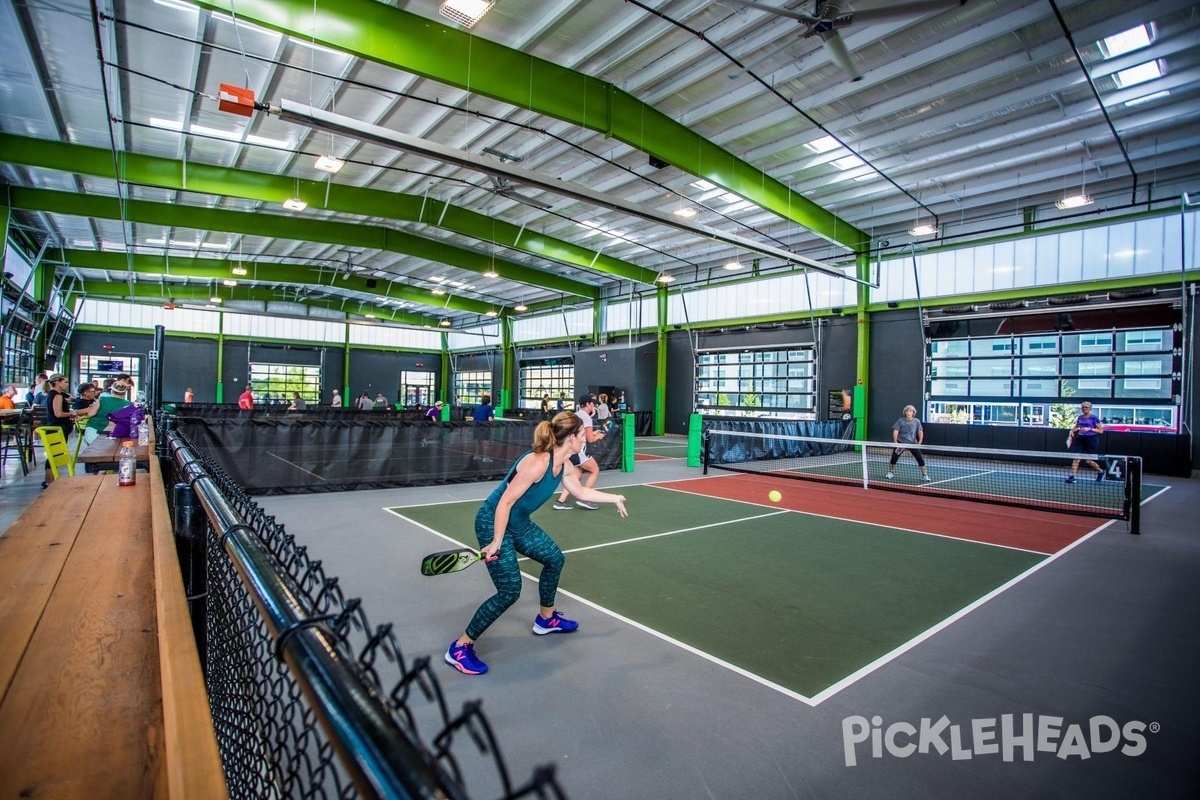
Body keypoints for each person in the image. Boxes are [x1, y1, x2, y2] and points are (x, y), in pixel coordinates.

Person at [445, 412, 629, 676]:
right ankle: (461, 647)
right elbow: (504, 502)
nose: (583, 441)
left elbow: (580, 492)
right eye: (581, 436)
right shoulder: (537, 463)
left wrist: (615, 498)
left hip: (518, 523)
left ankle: (546, 618)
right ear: (572, 438)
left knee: (555, 558)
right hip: (493, 521)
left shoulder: (564, 465)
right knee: (509, 591)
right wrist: (496, 541)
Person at [554, 394, 606, 509]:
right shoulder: (586, 418)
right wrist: (599, 436)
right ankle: (585, 499)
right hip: (579, 452)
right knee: (595, 470)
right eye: (592, 403)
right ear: (587, 404)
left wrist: (594, 432)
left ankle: (560, 502)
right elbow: (590, 439)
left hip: (571, 450)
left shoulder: (576, 415)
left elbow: (583, 435)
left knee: (576, 475)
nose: (593, 406)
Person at [76, 380, 133, 444]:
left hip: (93, 431)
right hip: (114, 434)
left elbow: (90, 414)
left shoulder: (102, 399)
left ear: (111, 390)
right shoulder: (128, 404)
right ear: (125, 393)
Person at [1066, 400, 1105, 483]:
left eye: (1086, 407)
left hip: (1091, 439)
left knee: (1088, 460)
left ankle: (1101, 472)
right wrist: (1071, 431)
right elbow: (1076, 427)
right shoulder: (1080, 417)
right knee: (1076, 458)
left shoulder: (1094, 418)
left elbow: (1101, 430)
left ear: (1090, 408)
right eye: (1083, 407)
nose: (1084, 409)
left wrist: (1090, 428)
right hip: (1080, 439)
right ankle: (1072, 477)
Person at [887, 404, 930, 481]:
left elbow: (920, 432)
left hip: (912, 443)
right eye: (907, 411)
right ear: (905, 412)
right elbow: (895, 431)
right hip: (901, 443)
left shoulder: (917, 421)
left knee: (920, 459)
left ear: (913, 412)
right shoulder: (900, 421)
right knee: (894, 459)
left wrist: (920, 441)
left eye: (910, 411)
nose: (908, 413)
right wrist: (895, 442)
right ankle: (890, 472)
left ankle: (925, 475)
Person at [472, 394, 495, 462]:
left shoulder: (477, 407)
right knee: (486, 442)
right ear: (489, 401)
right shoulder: (489, 408)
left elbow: (473, 417)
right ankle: (486, 457)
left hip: (476, 425)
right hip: (484, 426)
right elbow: (490, 419)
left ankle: (476, 455)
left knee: (477, 440)